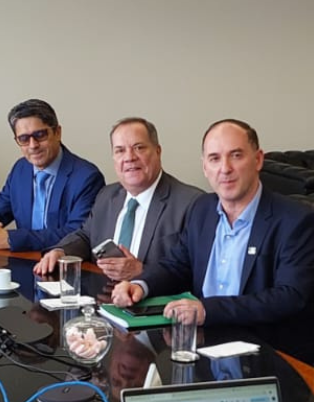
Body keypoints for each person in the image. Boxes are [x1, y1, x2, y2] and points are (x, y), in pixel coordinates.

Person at [111, 119, 314, 358]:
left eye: (236, 155)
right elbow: (178, 264)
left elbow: (289, 296)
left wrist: (208, 311)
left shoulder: (295, 220)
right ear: (204, 168)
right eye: (214, 158)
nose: (225, 168)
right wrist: (140, 285)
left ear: (258, 159)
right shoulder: (202, 208)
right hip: (201, 343)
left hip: (262, 350)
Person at [35, 117, 198, 283]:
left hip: (154, 303)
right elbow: (86, 236)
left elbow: (198, 273)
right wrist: (61, 252)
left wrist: (142, 272)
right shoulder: (107, 195)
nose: (129, 158)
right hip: (104, 298)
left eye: (139, 148)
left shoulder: (192, 203)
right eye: (120, 150)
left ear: (158, 151)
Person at [0, 99, 102, 253]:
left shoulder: (87, 177)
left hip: (64, 266)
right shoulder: (21, 169)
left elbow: (77, 235)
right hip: (25, 262)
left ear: (57, 133)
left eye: (40, 135)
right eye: (24, 139)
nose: (33, 145)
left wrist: (10, 239)